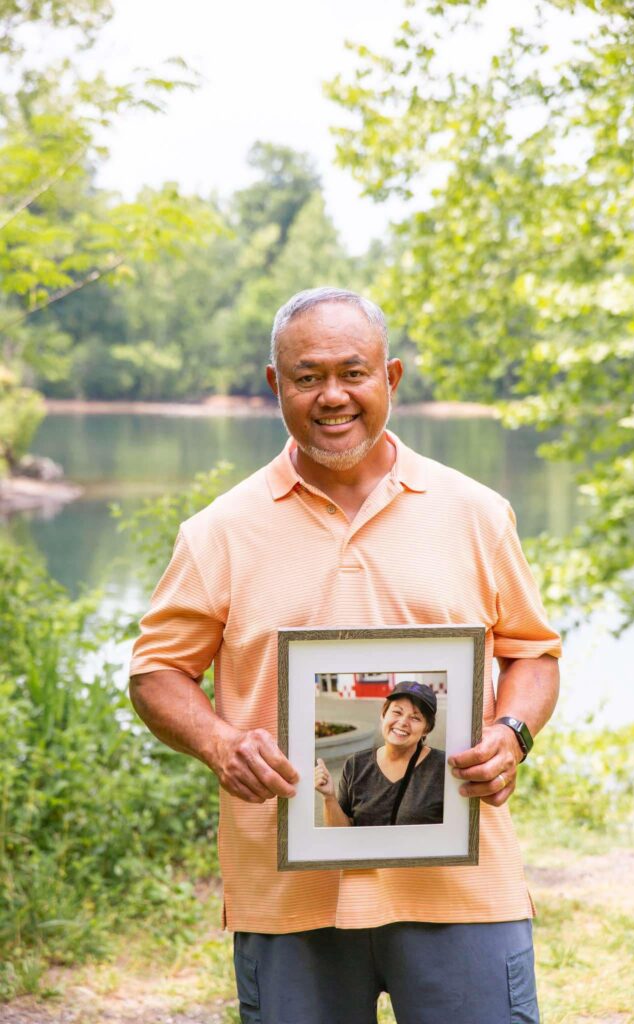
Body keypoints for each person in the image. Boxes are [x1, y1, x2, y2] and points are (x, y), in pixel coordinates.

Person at [129, 286, 561, 1024]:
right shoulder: (219, 531)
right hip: (287, 895)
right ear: (275, 386)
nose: (332, 396)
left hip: (463, 883)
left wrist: (509, 735)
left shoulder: (475, 512)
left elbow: (533, 654)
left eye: (352, 373)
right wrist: (218, 741)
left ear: (389, 378)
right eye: (307, 377)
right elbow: (156, 671)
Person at [315, 680, 446, 826]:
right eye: (397, 712)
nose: (403, 722)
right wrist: (329, 797)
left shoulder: (443, 768)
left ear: (426, 729)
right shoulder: (355, 765)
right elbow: (342, 833)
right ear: (383, 715)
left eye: (415, 718)